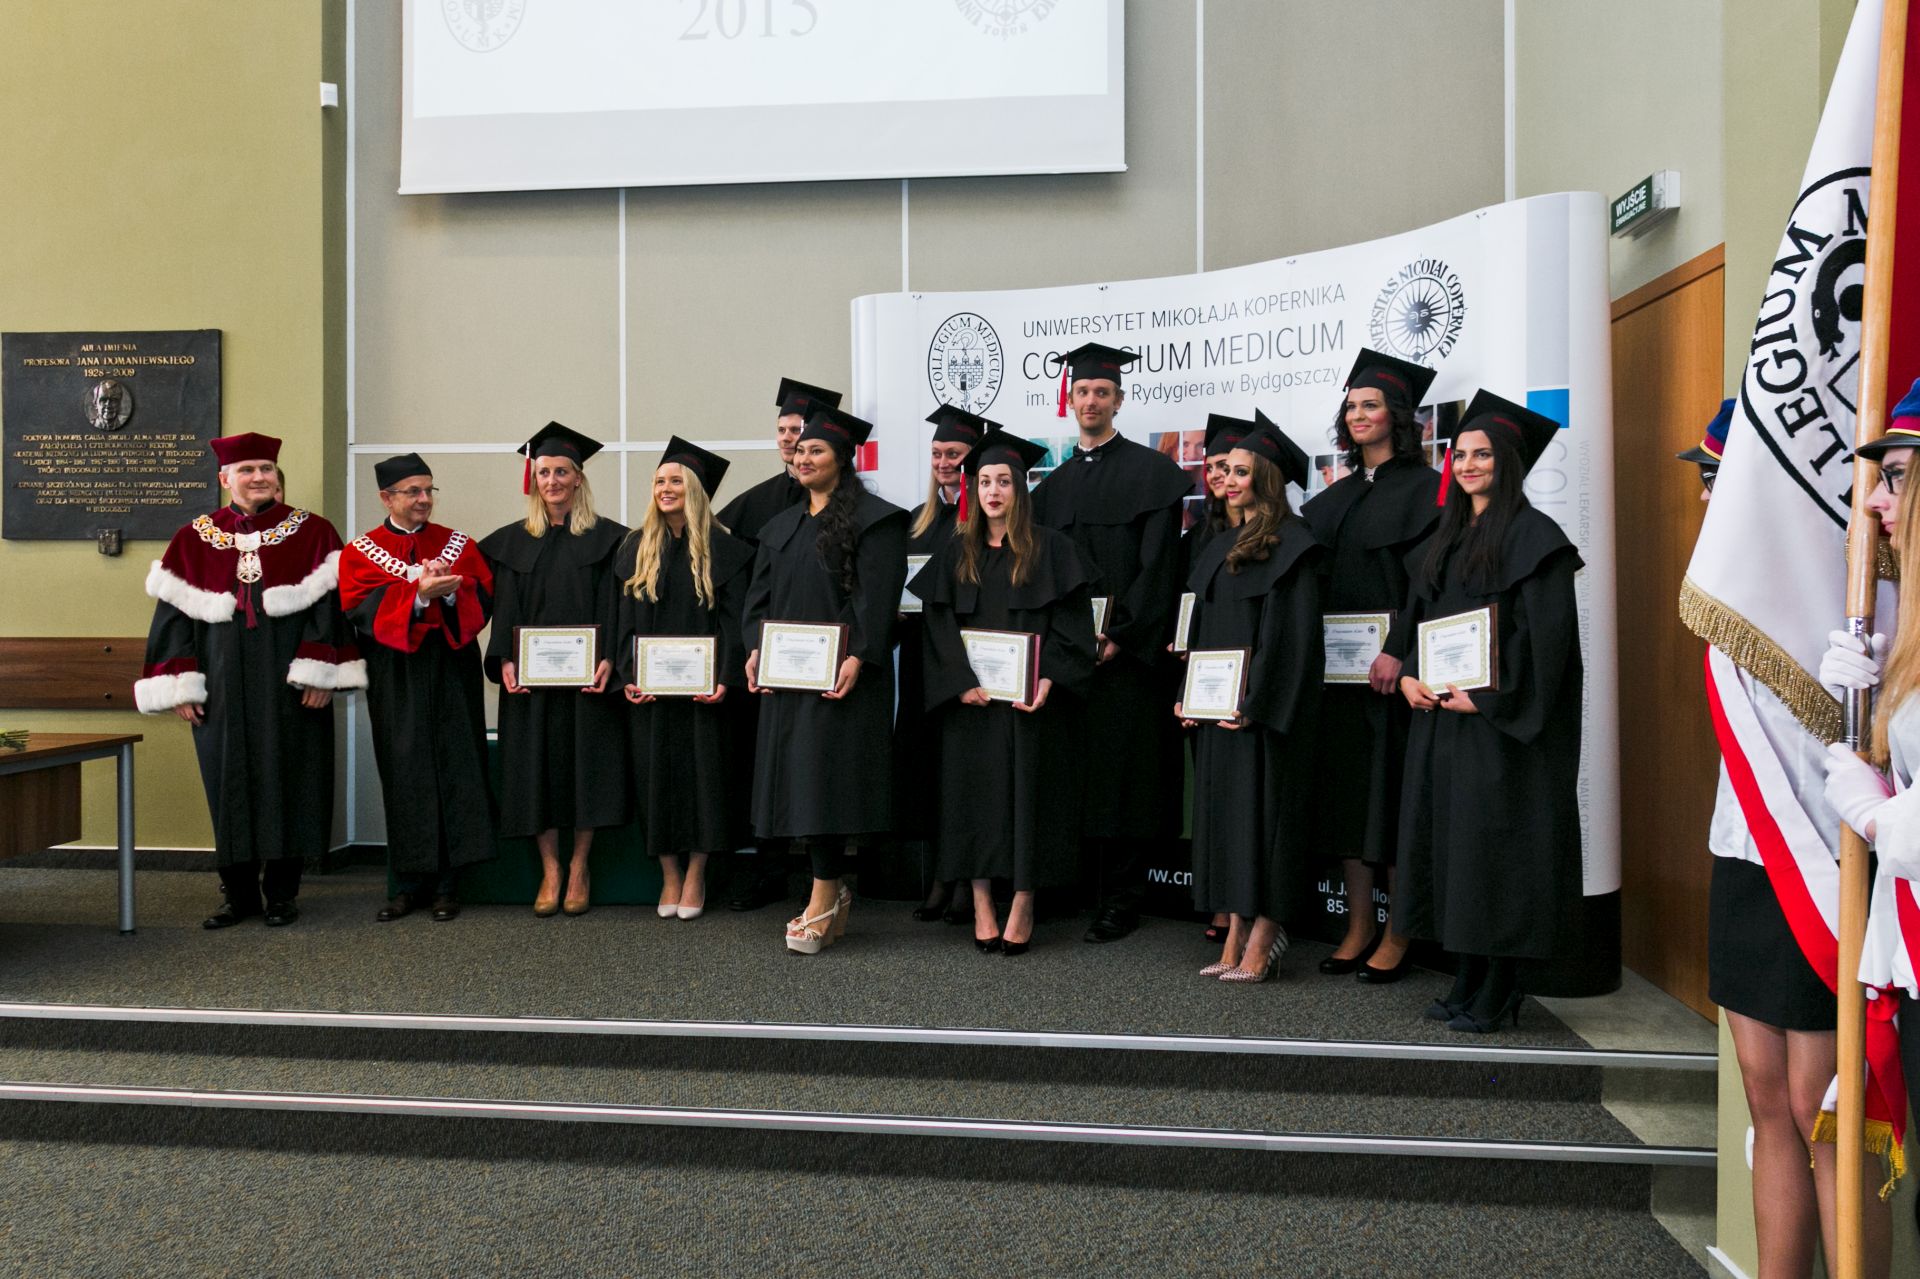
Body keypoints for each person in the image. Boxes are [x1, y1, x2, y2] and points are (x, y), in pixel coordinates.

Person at [1703, 390, 1893, 1278]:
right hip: (1745, 854)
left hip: (1829, 865)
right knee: (1766, 1096)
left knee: (1829, 1112)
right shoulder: (1731, 585)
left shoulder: (1860, 582)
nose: (1711, 494)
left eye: (1723, 476)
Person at [1394, 391, 1582, 1033]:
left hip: (1500, 732)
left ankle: (1501, 987)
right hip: (1445, 723)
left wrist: (1490, 699)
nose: (1468, 465)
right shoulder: (1445, 539)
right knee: (1457, 853)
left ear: (1508, 463)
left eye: (1483, 455)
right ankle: (1468, 976)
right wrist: (1411, 677)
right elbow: (1421, 625)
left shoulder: (1537, 539)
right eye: (1460, 455)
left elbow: (1548, 646)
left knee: (1497, 856)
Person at [134, 432, 365, 928]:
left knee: (293, 780)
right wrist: (180, 684)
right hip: (220, 687)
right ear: (225, 479)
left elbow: (330, 610)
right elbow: (172, 620)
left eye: (265, 468)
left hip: (290, 684)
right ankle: (237, 896)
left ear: (276, 476)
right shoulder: (193, 538)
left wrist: (321, 673)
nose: (258, 477)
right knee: (227, 783)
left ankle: (282, 894)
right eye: (246, 470)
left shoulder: (314, 533)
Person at [910, 429, 1096, 955]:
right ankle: (982, 901)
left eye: (1004, 482)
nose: (993, 491)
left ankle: (1023, 899)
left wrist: (1048, 678)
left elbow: (1073, 627)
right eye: (985, 481)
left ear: (1021, 489)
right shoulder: (957, 551)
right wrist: (959, 682)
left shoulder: (1053, 549)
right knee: (972, 799)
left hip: (1028, 704)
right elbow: (937, 626)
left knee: (1029, 798)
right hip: (972, 705)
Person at [1030, 341, 1193, 942]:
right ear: (1070, 401)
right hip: (1071, 655)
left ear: (1119, 400)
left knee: (1125, 776)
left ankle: (1123, 897)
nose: (1091, 401)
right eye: (1083, 392)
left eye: (1102, 392)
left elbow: (1159, 569)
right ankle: (1073, 886)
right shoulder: (1051, 489)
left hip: (1127, 657)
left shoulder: (1152, 475)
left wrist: (1122, 635)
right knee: (1073, 771)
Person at [743, 404, 909, 953]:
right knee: (799, 786)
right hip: (788, 680)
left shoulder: (877, 521)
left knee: (827, 786)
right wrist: (754, 650)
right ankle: (831, 894)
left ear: (842, 458)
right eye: (799, 450)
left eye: (816, 450)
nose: (803, 457)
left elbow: (877, 602)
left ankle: (823, 895)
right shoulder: (780, 528)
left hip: (843, 679)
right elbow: (757, 601)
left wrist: (858, 656)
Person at [1300, 349, 1442, 983]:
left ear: (1397, 416)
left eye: (1371, 405)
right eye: (1352, 406)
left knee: (1390, 805)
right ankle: (1358, 926)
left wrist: (1399, 651)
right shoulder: (1338, 496)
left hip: (1391, 679)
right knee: (1347, 804)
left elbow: (1428, 586)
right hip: (1337, 680)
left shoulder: (1428, 491)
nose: (1358, 415)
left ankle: (1399, 931)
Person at [1179, 417, 1324, 982]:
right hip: (1219, 710)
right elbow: (1201, 631)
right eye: (1227, 471)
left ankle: (1265, 933)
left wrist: (1255, 702)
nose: (1229, 480)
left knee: (1266, 821)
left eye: (1242, 472)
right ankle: (1236, 928)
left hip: (1263, 714)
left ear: (1267, 479)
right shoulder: (1219, 546)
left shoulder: (1295, 545)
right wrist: (1189, 695)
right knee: (1228, 820)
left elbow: (1293, 641)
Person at [339, 453, 497, 922]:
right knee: (403, 768)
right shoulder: (360, 551)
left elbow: (482, 595)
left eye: (429, 490)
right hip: (396, 672)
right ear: (386, 498)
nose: (424, 499)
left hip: (450, 666)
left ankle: (448, 885)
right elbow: (358, 607)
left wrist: (447, 594)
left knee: (455, 765)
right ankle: (407, 884)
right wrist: (415, 597)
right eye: (413, 491)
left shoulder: (458, 544)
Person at [479, 423, 630, 916]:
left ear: (579, 478)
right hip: (533, 683)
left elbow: (616, 607)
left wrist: (610, 658)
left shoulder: (610, 541)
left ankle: (579, 865)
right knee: (534, 772)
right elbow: (504, 608)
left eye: (562, 472)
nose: (552, 481)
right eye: (543, 472)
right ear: (534, 479)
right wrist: (504, 658)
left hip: (588, 682)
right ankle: (551, 869)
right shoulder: (512, 542)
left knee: (588, 769)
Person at [716, 376, 843, 912]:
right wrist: (753, 647)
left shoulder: (852, 507)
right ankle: (768, 868)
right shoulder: (757, 505)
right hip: (770, 662)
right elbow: (746, 590)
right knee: (765, 766)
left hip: (827, 665)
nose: (792, 440)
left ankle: (825, 879)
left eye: (802, 432)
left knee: (820, 769)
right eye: (785, 430)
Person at [616, 437, 754, 921]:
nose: (665, 488)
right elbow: (623, 622)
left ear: (695, 489)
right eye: (659, 480)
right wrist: (628, 673)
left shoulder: (726, 550)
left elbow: (736, 623)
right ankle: (669, 873)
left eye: (676, 480)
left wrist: (725, 678)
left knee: (706, 779)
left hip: (704, 694)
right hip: (652, 694)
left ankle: (697, 871)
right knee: (654, 780)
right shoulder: (635, 548)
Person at [904, 403, 990, 923]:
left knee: (967, 774)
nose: (943, 463)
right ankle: (940, 873)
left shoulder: (987, 522)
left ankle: (967, 877)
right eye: (937, 453)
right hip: (922, 661)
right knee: (930, 771)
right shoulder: (918, 522)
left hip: (972, 665)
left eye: (953, 454)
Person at [1186, 412, 1255, 946]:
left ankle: (1243, 911)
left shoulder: (1275, 539)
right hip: (1204, 678)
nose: (1220, 476)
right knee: (1210, 794)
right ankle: (1221, 902)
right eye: (1213, 467)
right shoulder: (1201, 536)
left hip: (1245, 689)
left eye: (1232, 467)